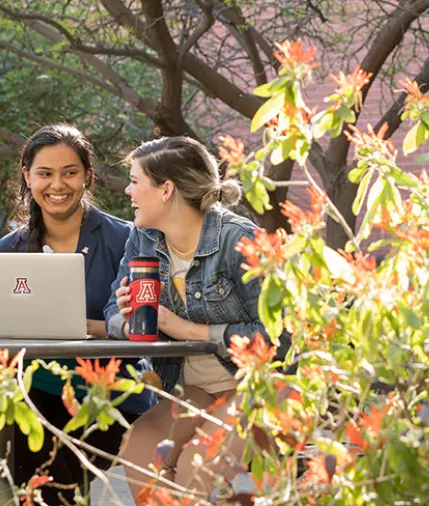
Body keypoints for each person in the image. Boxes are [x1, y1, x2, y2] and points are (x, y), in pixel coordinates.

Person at [105, 136, 290, 502]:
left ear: (166, 190)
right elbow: (113, 310)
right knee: (140, 450)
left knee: (196, 466)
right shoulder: (143, 238)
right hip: (195, 390)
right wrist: (128, 320)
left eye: (135, 181)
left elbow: (280, 336)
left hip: (257, 389)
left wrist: (186, 329)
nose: (128, 190)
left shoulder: (240, 240)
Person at [0, 124, 156, 503]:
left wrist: (85, 328)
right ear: (27, 177)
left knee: (51, 464)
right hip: (37, 389)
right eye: (45, 173)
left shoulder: (129, 239)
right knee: (14, 436)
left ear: (87, 174)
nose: (57, 184)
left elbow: (148, 325)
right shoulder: (9, 248)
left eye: (69, 172)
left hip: (113, 393)